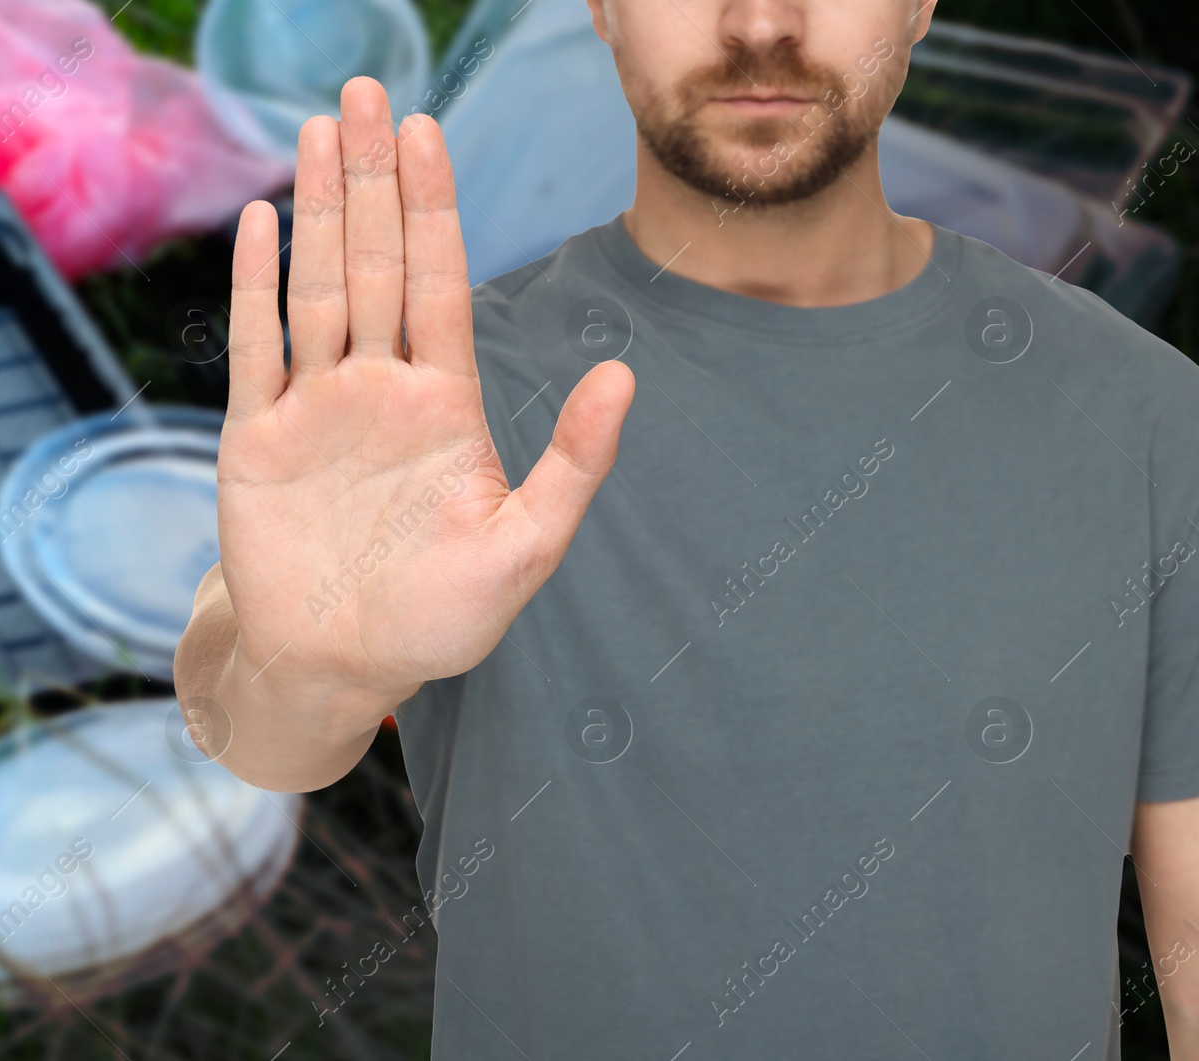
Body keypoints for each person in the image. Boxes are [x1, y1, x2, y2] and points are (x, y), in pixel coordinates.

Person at [173, 0, 1199, 1055]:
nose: (759, 21)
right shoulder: (435, 405)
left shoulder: (1146, 411)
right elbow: (242, 712)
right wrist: (309, 670)